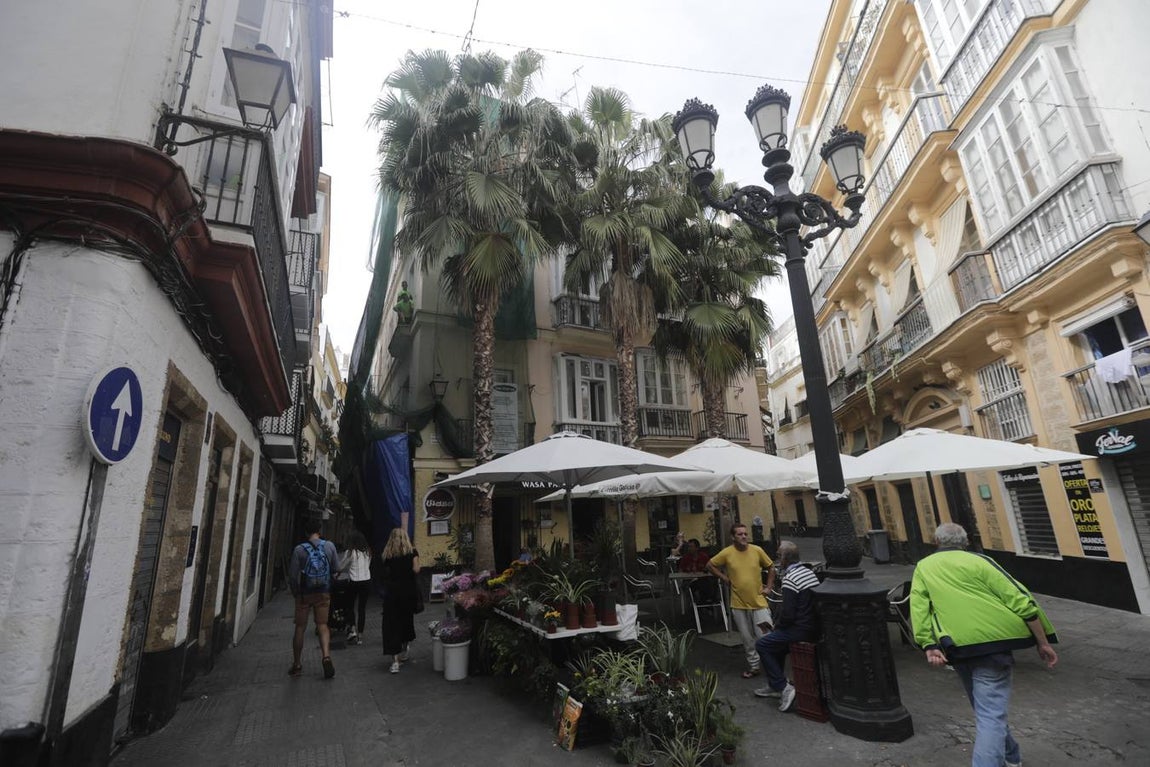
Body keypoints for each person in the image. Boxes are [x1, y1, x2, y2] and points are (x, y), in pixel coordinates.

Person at [911, 523, 1058, 767]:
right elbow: (1019, 600)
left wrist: (928, 644)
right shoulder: (981, 562)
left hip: (956, 647)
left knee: (988, 711)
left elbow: (919, 608)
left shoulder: (924, 567)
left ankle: (1011, 757)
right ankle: (1006, 758)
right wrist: (1043, 643)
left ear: (936, 541)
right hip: (994, 648)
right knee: (990, 713)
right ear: (966, 542)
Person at [753, 541, 819, 712]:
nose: (776, 558)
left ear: (784, 559)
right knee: (776, 646)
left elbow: (788, 613)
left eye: (778, 555)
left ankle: (783, 687)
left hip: (800, 629)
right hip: (812, 625)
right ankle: (775, 685)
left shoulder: (790, 579)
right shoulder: (808, 572)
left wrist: (776, 627)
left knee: (762, 644)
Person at [707, 522, 776, 678]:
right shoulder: (727, 553)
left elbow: (771, 567)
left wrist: (769, 587)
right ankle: (754, 667)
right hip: (738, 604)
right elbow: (710, 565)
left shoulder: (757, 550)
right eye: (740, 534)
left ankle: (773, 666)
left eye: (745, 533)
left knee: (765, 636)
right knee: (747, 638)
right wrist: (724, 578)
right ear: (733, 537)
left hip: (759, 603)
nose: (744, 536)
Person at [287, 519, 338, 679]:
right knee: (322, 625)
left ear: (305, 532)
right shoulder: (329, 546)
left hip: (304, 593)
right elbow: (336, 569)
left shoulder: (299, 550)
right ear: (319, 530)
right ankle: (326, 656)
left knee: (300, 627)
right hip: (323, 591)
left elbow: (293, 576)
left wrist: (296, 593)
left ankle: (297, 664)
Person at [380, 527, 421, 673]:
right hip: (408, 593)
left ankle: (395, 661)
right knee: (406, 621)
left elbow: (384, 574)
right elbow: (416, 570)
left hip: (392, 594)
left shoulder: (387, 555)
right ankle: (405, 647)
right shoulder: (412, 552)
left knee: (392, 626)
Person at [339, 531, 373, 645]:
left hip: (354, 582)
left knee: (349, 605)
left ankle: (352, 628)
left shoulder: (350, 552)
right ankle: (360, 636)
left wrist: (338, 571)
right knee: (362, 608)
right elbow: (368, 565)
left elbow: (341, 566)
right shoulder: (368, 552)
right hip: (366, 581)